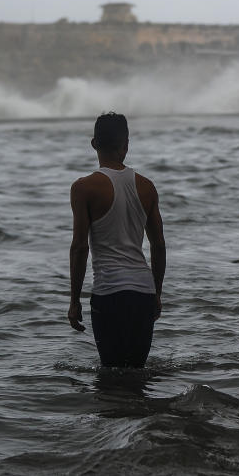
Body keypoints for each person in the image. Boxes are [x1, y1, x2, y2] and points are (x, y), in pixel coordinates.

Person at [68, 112, 165, 368]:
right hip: (143, 292)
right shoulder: (147, 186)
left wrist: (74, 300)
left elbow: (80, 247)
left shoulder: (84, 188)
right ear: (126, 145)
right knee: (137, 377)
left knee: (110, 377)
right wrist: (157, 293)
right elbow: (158, 245)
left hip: (109, 293)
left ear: (93, 144)